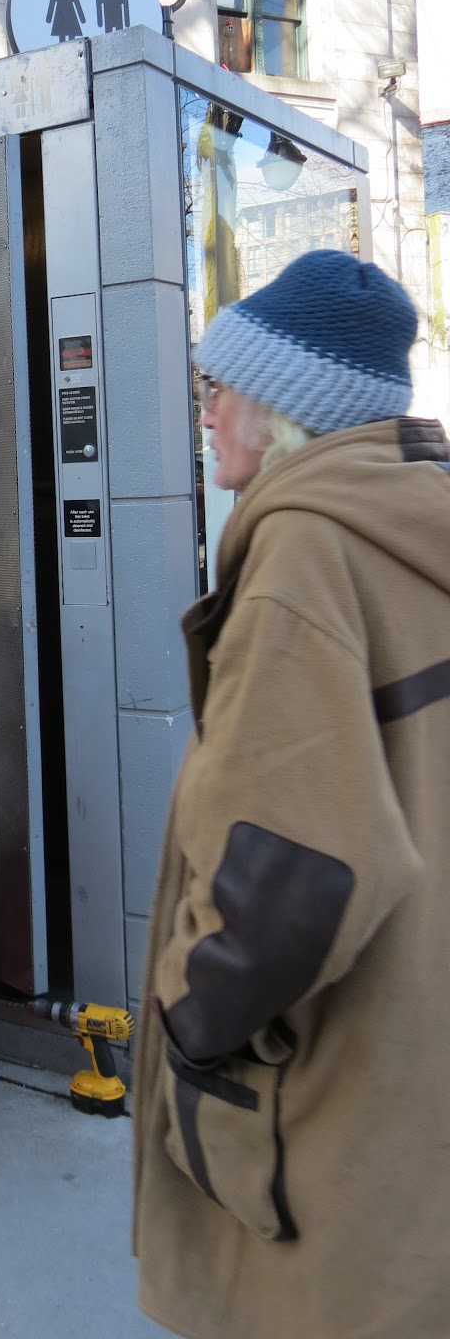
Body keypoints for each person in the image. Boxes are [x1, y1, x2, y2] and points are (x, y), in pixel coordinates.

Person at [133, 251, 450, 1338]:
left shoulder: (301, 557)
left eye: (221, 387)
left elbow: (299, 874)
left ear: (285, 410)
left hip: (325, 1100)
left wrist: (190, 1024)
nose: (208, 410)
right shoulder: (412, 525)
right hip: (411, 1052)